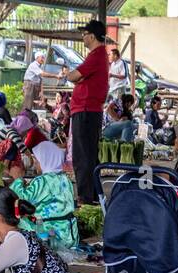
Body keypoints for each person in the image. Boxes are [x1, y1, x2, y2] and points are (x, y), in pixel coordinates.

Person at [61, 20, 109, 207]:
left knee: (83, 156)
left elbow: (73, 76)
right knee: (89, 154)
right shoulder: (98, 56)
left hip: (86, 110)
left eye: (84, 34)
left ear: (91, 35)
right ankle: (93, 195)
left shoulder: (96, 56)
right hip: (89, 110)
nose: (82, 37)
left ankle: (85, 198)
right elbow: (78, 78)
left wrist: (72, 76)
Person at [12, 140, 77, 249]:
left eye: (37, 161)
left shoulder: (41, 181)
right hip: (69, 234)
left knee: (18, 219)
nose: (36, 164)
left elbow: (22, 198)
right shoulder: (65, 179)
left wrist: (17, 180)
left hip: (50, 235)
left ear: (46, 160)